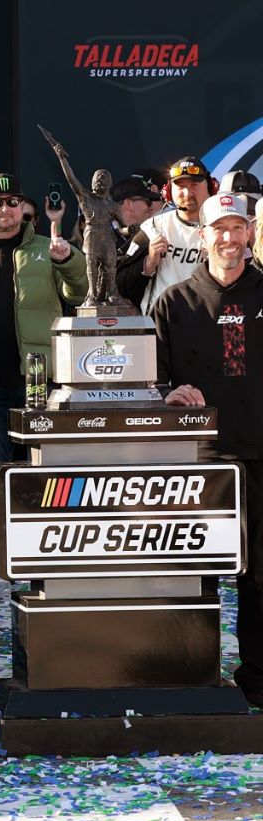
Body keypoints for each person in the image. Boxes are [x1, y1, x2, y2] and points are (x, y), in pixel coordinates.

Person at [152, 192, 263, 706]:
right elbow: (151, 379)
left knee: (260, 576)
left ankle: (257, 677)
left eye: (238, 228)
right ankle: (195, 674)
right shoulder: (174, 301)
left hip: (262, 456)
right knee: (199, 572)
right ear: (203, 236)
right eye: (220, 229)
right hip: (202, 460)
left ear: (251, 235)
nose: (229, 239)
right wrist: (169, 392)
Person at [0, 173, 86, 466]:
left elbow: (78, 294)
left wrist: (66, 261)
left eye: (12, 201)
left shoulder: (47, 247)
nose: (4, 208)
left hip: (38, 379)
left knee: (47, 464)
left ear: (22, 206)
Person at [118, 156, 215, 314]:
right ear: (169, 192)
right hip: (161, 327)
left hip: (207, 322)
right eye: (180, 186)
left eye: (194, 185)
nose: (187, 192)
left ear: (211, 187)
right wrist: (148, 264)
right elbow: (120, 285)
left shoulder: (223, 229)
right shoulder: (154, 227)